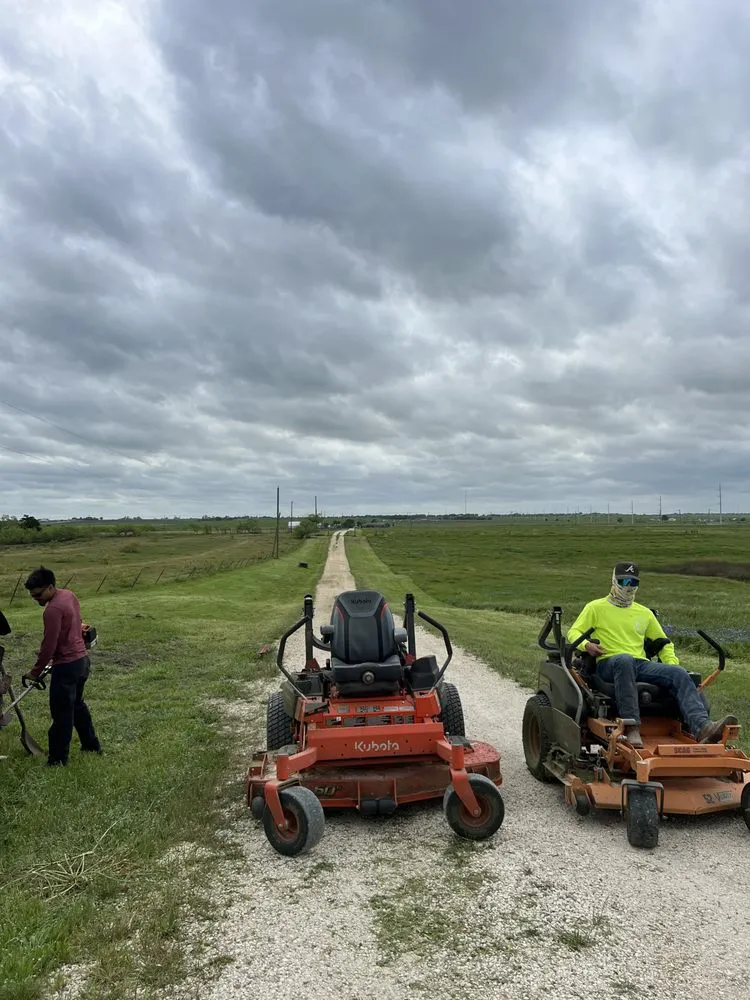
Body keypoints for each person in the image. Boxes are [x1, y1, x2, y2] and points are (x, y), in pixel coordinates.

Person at [568, 561, 737, 748]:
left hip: (639, 664)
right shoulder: (595, 608)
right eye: (624, 582)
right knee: (624, 660)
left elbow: (663, 643)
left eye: (633, 583)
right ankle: (631, 726)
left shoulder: (644, 613)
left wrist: (671, 663)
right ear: (614, 581)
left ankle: (703, 728)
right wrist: (586, 645)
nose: (629, 587)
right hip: (609, 663)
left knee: (678, 673)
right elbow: (573, 632)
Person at [22, 567, 102, 766]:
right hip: (82, 661)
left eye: (39, 595)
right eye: (33, 596)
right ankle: (91, 746)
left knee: (62, 714)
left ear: (50, 587)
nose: (36, 599)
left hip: (67, 666)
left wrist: (35, 671)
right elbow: (76, 624)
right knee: (77, 706)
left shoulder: (52, 610)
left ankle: (57, 760)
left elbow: (49, 645)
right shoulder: (69, 595)